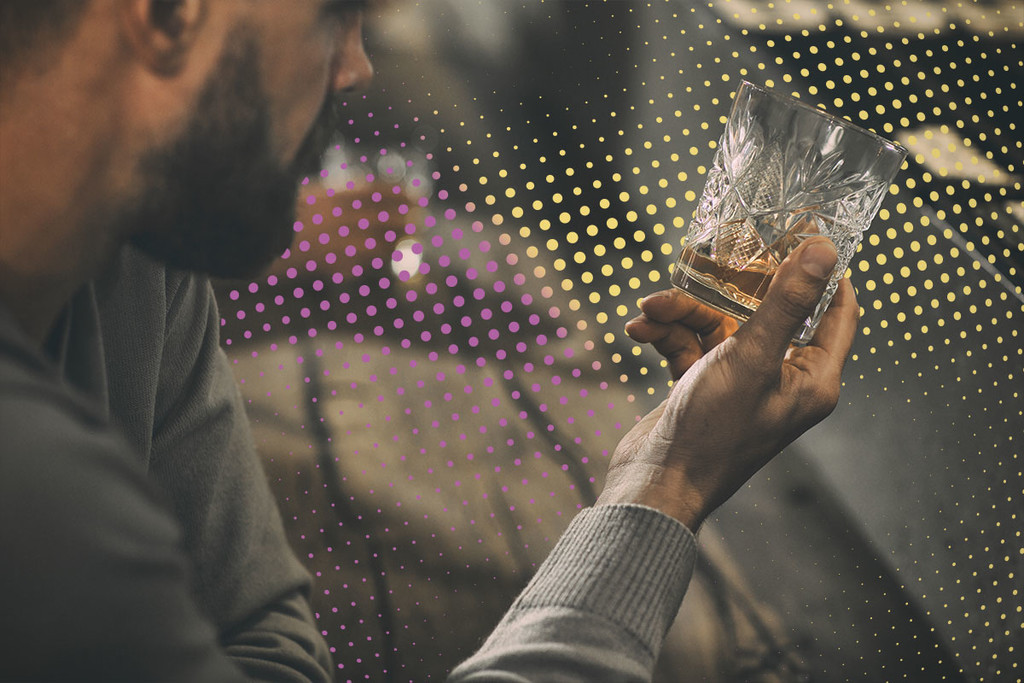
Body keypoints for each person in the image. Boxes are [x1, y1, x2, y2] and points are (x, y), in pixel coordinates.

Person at [0, 1, 858, 681]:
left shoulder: (142, 255)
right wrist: (666, 485)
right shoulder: (37, 486)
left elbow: (270, 642)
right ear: (167, 13)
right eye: (333, 13)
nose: (356, 65)